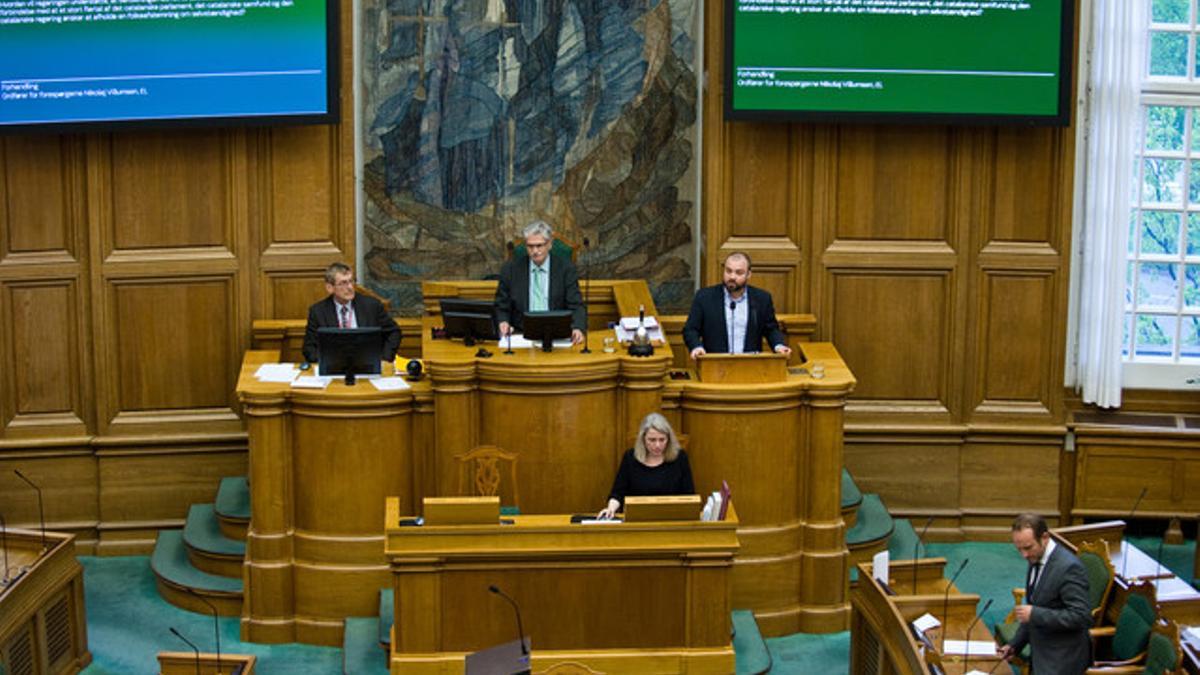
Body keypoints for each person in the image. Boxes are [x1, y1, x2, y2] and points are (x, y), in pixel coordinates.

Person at [997, 513, 1092, 674]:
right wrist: (1014, 645)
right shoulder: (1036, 558)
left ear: (1045, 537)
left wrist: (1035, 614)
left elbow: (1081, 616)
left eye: (1027, 548)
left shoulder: (1068, 568)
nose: (1024, 555)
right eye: (1019, 549)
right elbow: (1035, 607)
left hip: (1062, 656)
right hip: (1041, 646)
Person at [682, 252, 791, 359]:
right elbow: (690, 329)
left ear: (748, 274)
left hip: (750, 367)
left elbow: (771, 329)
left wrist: (779, 346)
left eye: (739, 273)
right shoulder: (705, 297)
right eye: (728, 271)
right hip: (714, 366)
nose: (732, 277)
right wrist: (696, 347)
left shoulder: (761, 299)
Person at [493, 220, 586, 345]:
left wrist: (578, 328)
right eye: (530, 246)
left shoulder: (566, 269)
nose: (535, 251)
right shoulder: (510, 270)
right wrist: (503, 322)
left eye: (539, 245)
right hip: (521, 335)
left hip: (557, 335)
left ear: (550, 244)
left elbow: (576, 305)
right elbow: (501, 306)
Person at [597, 413, 695, 519]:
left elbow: (689, 496)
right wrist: (611, 509)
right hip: (637, 522)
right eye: (652, 440)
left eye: (662, 440)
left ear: (669, 439)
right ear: (643, 439)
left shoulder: (680, 458)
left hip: (672, 521)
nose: (657, 445)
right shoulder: (630, 458)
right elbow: (617, 493)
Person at [302, 262, 401, 364]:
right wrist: (326, 363)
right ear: (329, 288)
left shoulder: (372, 306)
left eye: (351, 281)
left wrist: (384, 359)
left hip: (367, 364)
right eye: (343, 283)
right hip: (333, 368)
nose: (350, 287)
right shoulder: (318, 311)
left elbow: (394, 332)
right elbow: (309, 348)